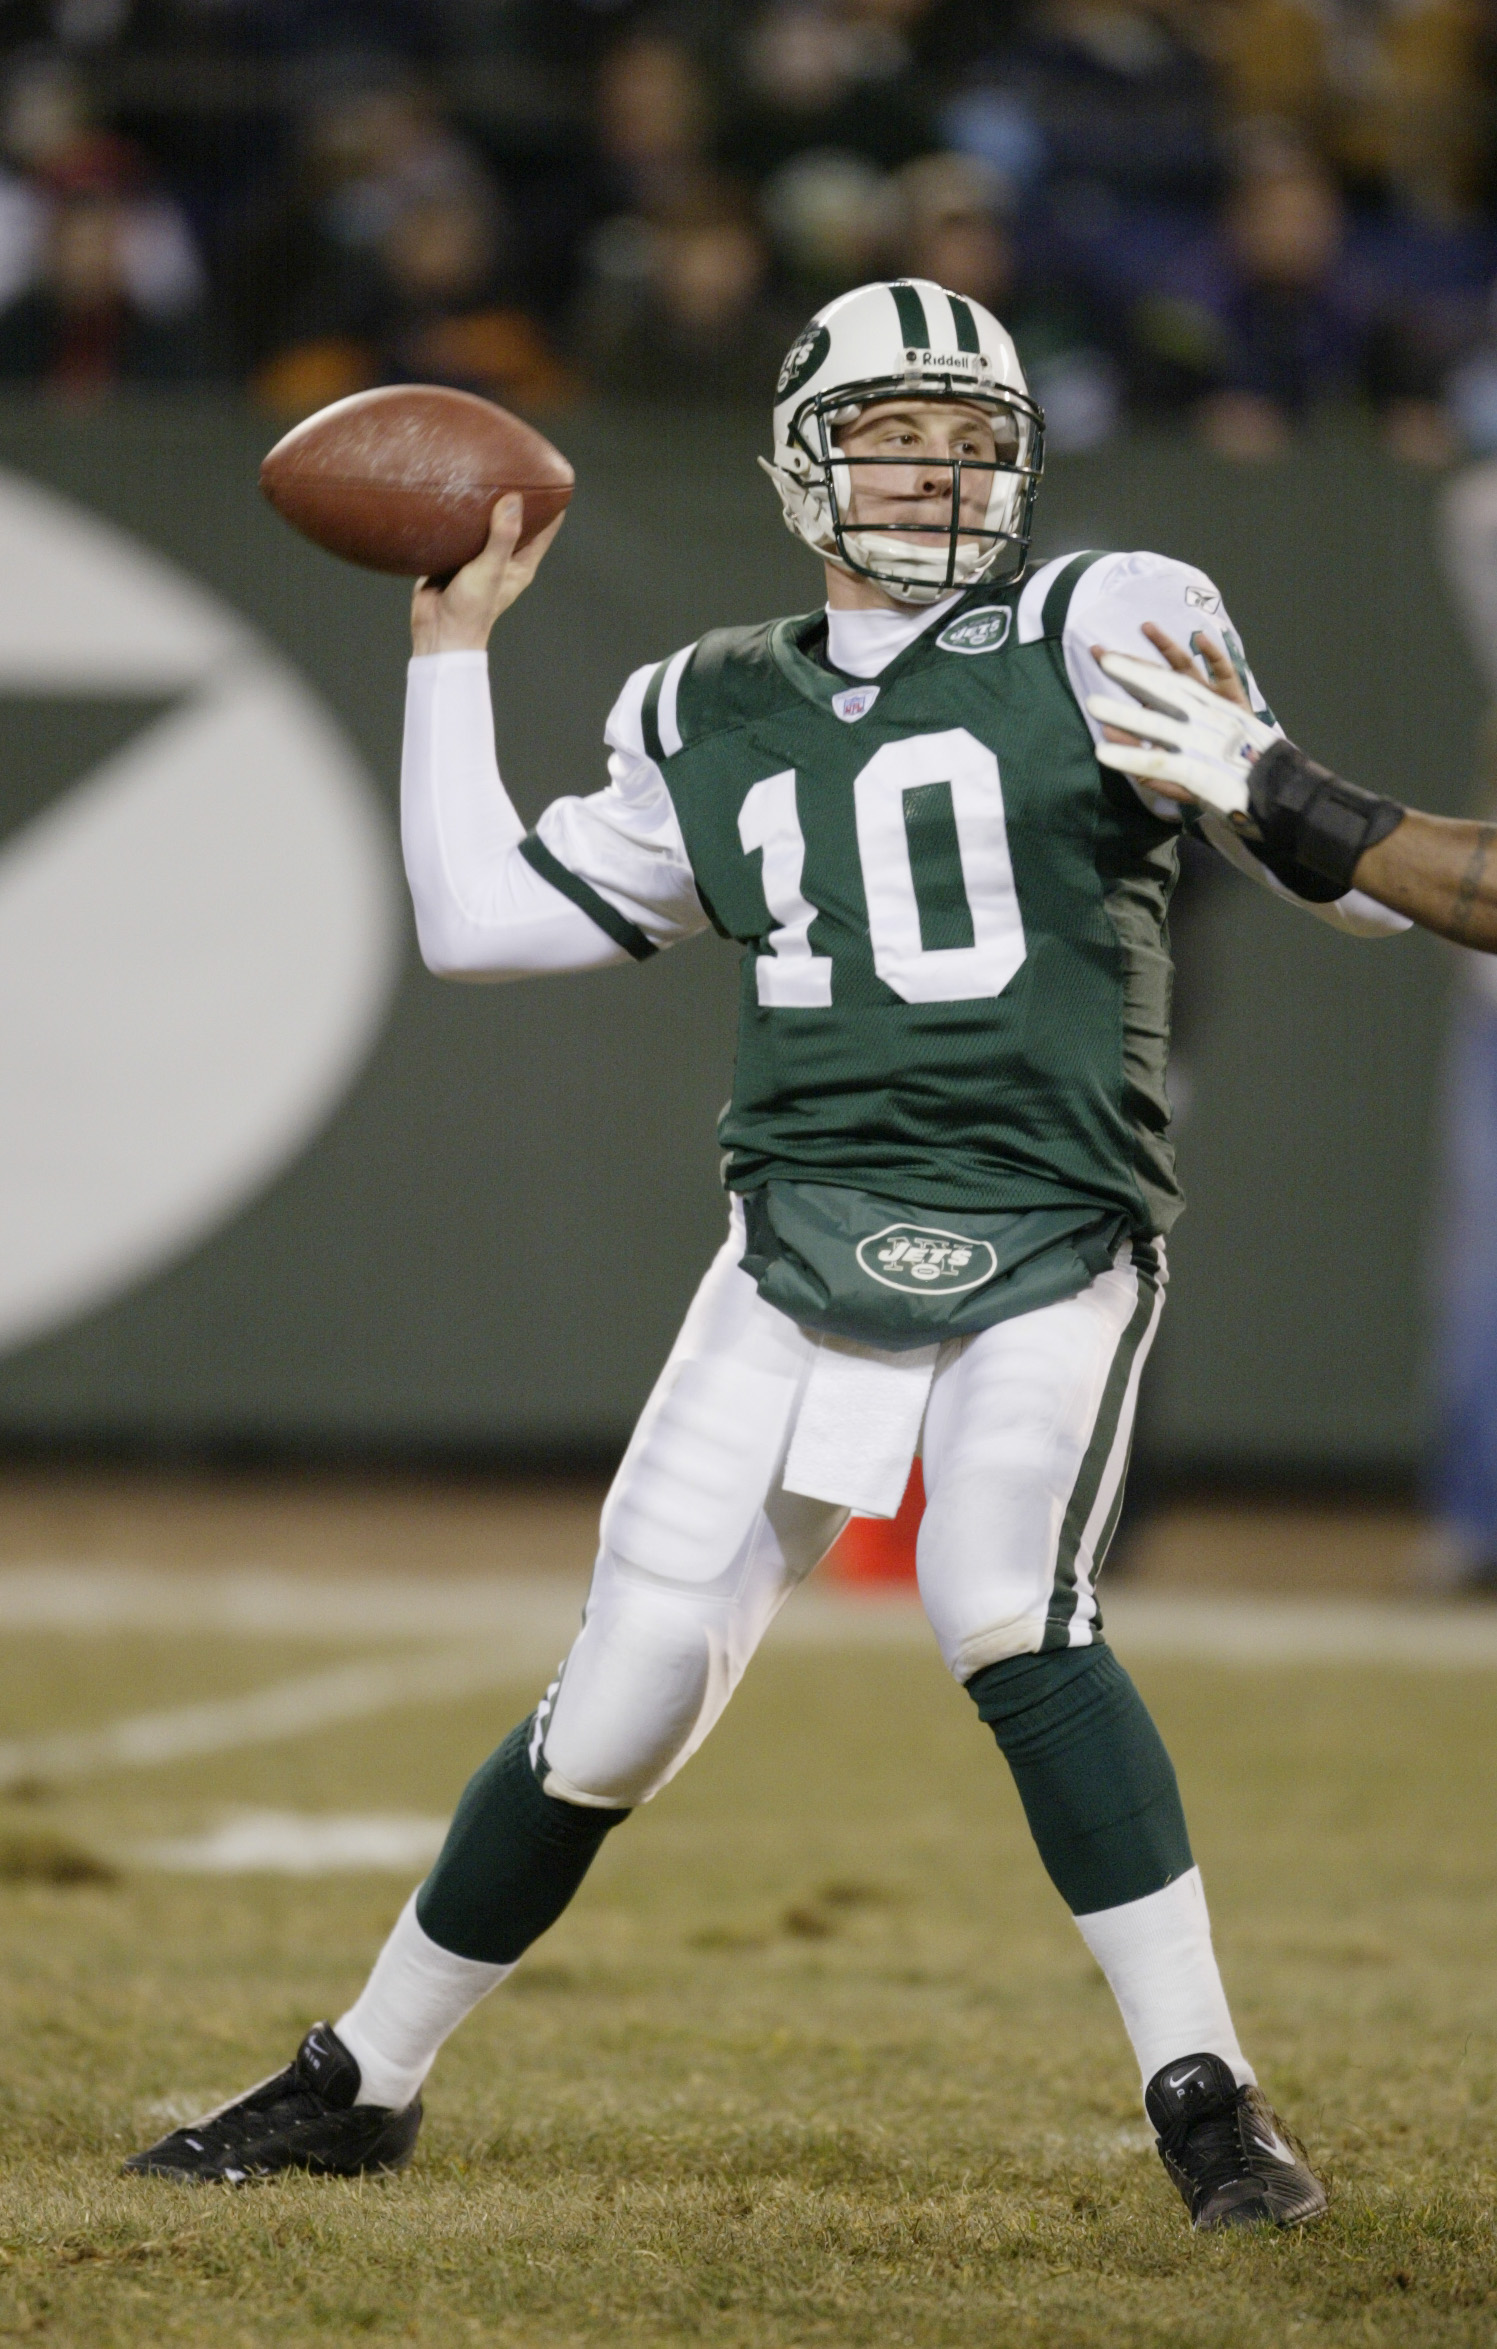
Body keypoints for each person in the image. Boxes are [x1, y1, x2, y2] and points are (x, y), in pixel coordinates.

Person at [130, 274, 1461, 2230]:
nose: (932, 469)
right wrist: (451, 656)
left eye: (967, 435)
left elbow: (1331, 881)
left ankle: (1205, 2091)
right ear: (799, 461)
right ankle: (364, 2072)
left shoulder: (1096, 611)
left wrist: (1276, 792)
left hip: (1046, 1222)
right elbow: (476, 923)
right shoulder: (703, 697)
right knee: (620, 1694)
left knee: (1002, 1599)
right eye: (891, 431)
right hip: (791, 1235)